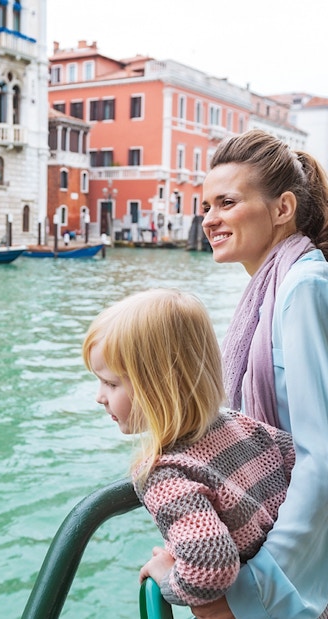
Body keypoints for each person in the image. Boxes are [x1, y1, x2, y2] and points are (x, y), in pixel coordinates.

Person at [82, 288, 295, 609]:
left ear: (158, 386)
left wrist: (168, 579)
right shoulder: (237, 423)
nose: (100, 396)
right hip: (304, 593)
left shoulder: (164, 473)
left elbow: (211, 566)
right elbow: (295, 460)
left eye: (111, 383)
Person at [198, 128, 328, 619]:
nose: (210, 219)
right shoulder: (274, 287)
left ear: (282, 209)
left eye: (226, 202)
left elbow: (321, 457)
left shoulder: (302, 286)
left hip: (297, 575)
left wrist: (260, 583)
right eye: (205, 206)